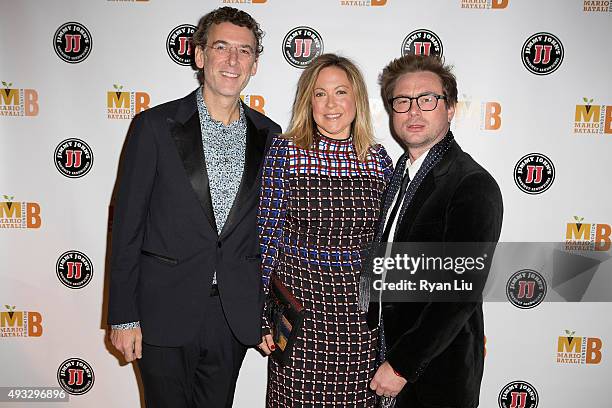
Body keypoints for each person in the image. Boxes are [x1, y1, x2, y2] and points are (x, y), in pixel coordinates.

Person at [107, 7, 281, 408]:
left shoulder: (271, 136)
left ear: (255, 64)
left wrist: (268, 312)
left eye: (244, 51)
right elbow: (127, 226)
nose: (232, 60)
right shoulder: (154, 126)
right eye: (221, 47)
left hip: (232, 315)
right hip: (162, 310)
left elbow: (272, 231)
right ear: (200, 56)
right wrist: (122, 316)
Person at [364, 54, 503, 407]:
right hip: (387, 352)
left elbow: (457, 293)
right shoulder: (399, 175)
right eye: (402, 101)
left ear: (450, 107)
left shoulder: (470, 183)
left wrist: (401, 365)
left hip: (437, 370)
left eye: (427, 99)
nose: (413, 111)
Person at [257, 53, 393, 407]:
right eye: (320, 94)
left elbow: (386, 247)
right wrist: (259, 314)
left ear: (357, 99)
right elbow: (266, 236)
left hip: (360, 322)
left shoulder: (378, 160)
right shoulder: (285, 153)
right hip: (301, 317)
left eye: (341, 92)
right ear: (308, 100)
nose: (331, 104)